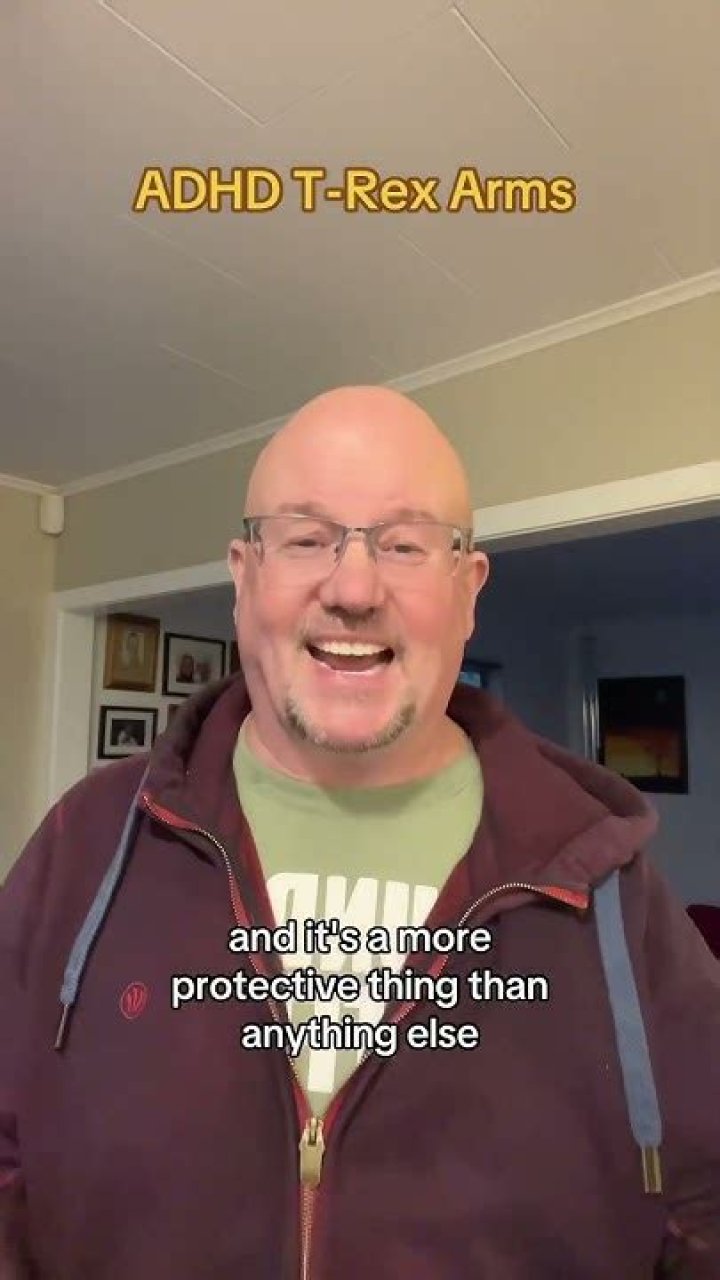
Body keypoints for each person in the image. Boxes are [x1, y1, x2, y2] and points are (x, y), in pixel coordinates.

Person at [1, 385, 719, 1279]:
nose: (352, 589)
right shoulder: (84, 843)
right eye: (306, 538)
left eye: (405, 545)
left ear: (468, 590)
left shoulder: (608, 882)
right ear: (243, 575)